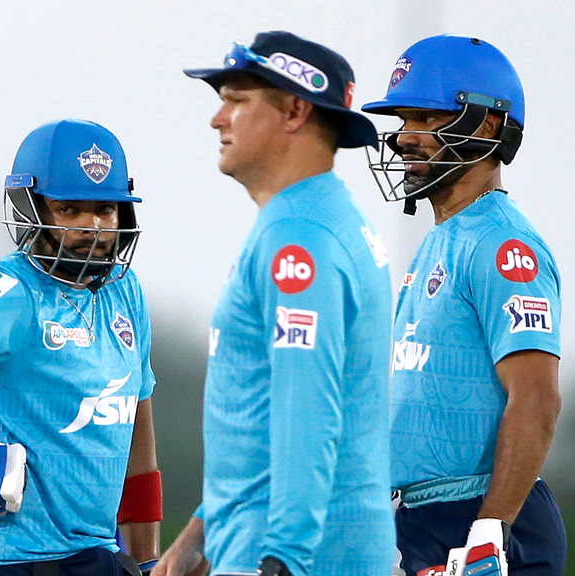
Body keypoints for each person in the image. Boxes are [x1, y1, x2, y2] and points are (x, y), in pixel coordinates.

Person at [154, 31, 395, 576]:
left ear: (294, 110)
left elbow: (306, 407)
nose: (218, 120)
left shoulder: (298, 239)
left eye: (237, 101)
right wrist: (203, 533)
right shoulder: (323, 218)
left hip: (291, 555)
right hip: (288, 544)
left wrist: (282, 558)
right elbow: (262, 419)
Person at [0, 118, 162, 576]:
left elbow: (137, 442)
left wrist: (148, 560)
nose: (92, 226)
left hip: (91, 557)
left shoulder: (126, 292)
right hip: (2, 561)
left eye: (105, 209)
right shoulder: (13, 289)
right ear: (31, 207)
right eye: (69, 209)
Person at [360, 35, 566, 576]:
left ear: (487, 126)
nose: (405, 138)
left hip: (479, 522)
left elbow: (537, 399)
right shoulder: (443, 238)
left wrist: (489, 531)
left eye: (425, 118)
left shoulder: (503, 246)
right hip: (423, 520)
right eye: (402, 121)